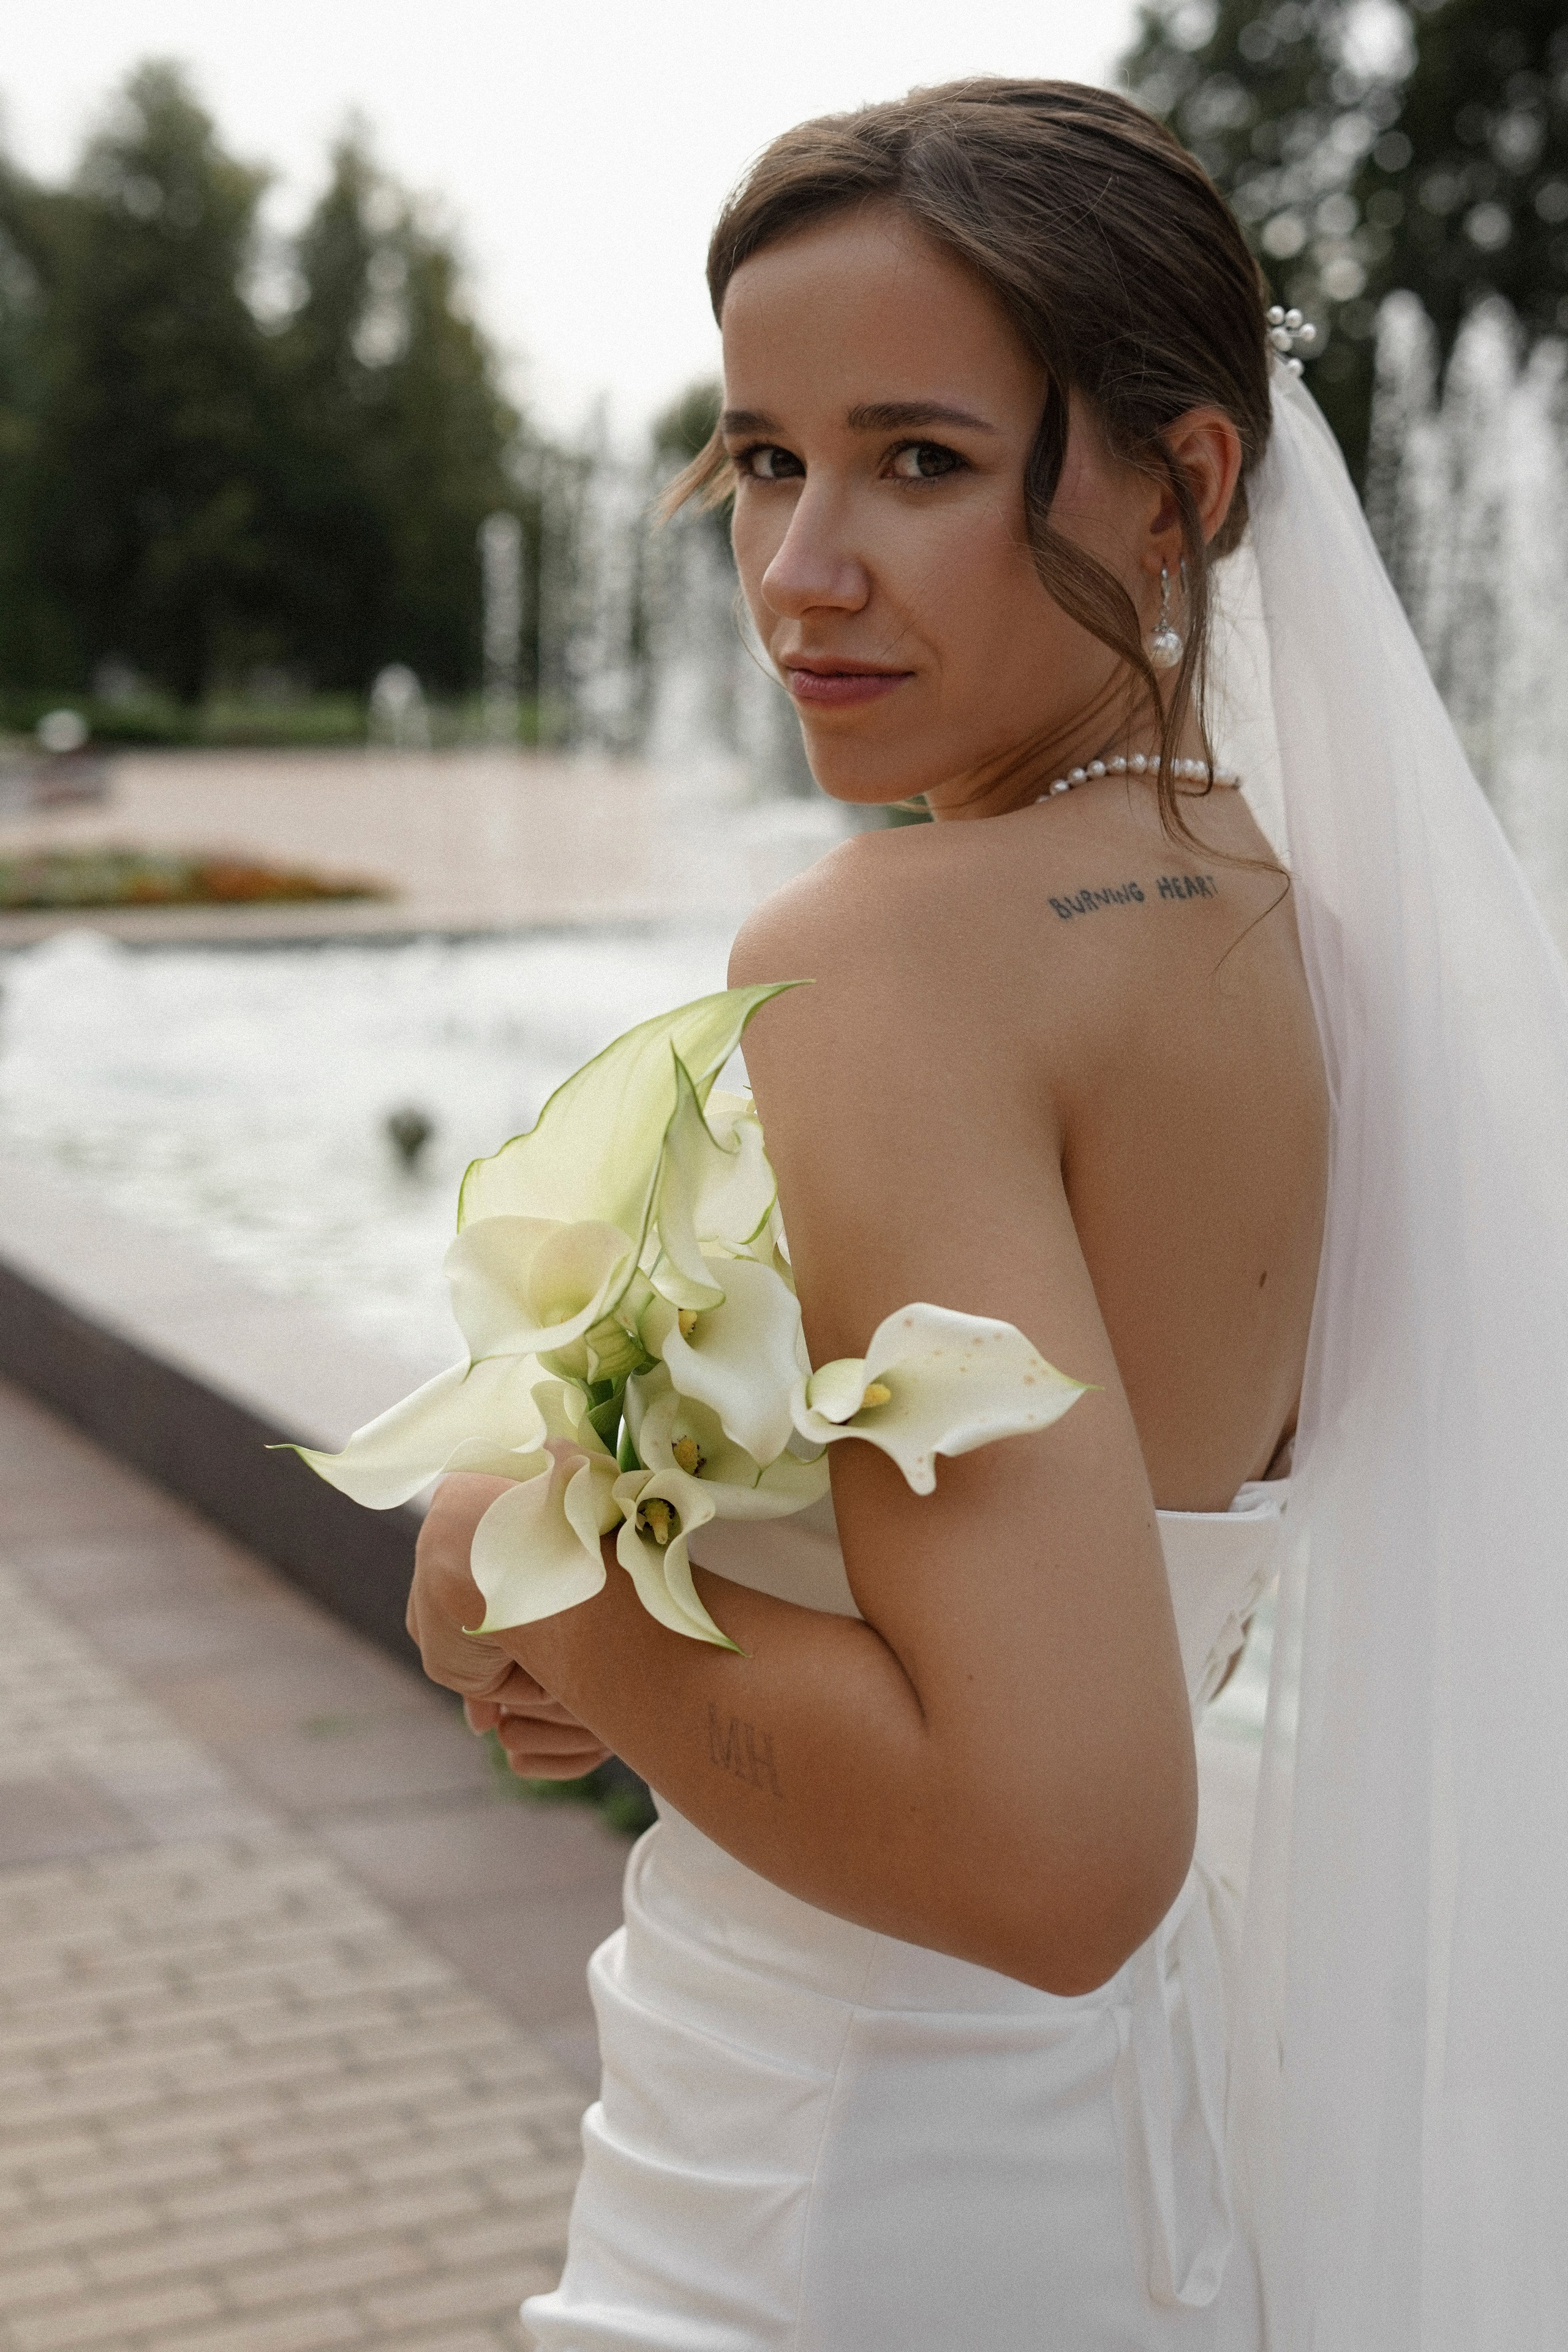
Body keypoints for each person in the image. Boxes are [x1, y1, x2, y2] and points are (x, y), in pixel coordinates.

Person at [406, 79, 1568, 2352]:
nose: (799, 567)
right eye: (763, 457)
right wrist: (701, 1580)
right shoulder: (1291, 936)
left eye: (919, 462)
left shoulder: (888, 951)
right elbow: (1102, 1603)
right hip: (1106, 2130)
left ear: (1186, 486)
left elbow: (1052, 1847)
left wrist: (531, 1568)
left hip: (844, 2165)